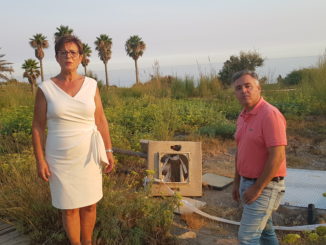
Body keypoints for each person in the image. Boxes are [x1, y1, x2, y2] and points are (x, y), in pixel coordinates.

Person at [32, 35, 115, 245]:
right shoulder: (45, 89)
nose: (68, 56)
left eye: (73, 52)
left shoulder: (91, 85)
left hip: (89, 155)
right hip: (60, 158)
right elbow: (38, 127)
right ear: (57, 57)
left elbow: (101, 120)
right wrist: (40, 160)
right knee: (68, 208)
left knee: (90, 205)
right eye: (63, 52)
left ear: (80, 57)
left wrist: (109, 150)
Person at [231, 70, 287, 245]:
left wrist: (258, 187)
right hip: (247, 182)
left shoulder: (270, 114)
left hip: (265, 185)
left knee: (247, 237)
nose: (244, 91)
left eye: (248, 86)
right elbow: (240, 150)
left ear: (258, 88)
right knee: (265, 233)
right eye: (239, 88)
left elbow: (277, 156)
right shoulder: (242, 115)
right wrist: (236, 181)